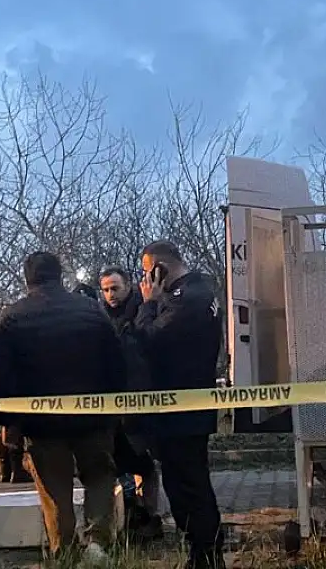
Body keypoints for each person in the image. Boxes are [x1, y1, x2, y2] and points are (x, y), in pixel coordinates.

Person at [0, 252, 126, 562]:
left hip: (42, 424)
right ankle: (98, 543)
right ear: (59, 275)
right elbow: (116, 362)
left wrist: (8, 422)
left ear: (27, 279)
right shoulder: (91, 311)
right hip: (93, 417)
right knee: (100, 477)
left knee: (54, 490)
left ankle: (64, 551)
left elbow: (0, 375)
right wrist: (115, 407)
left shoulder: (14, 318)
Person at [135, 241, 225, 569]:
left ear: (160, 268)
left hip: (180, 412)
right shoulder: (198, 292)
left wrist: (148, 304)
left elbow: (148, 340)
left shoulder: (185, 299)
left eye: (147, 271)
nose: (145, 279)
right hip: (186, 409)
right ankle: (203, 551)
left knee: (188, 486)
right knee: (187, 482)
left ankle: (205, 553)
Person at [99, 266, 163, 541]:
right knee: (119, 464)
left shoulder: (143, 311)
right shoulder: (100, 317)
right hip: (111, 407)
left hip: (140, 402)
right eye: (105, 290)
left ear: (128, 286)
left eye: (115, 288)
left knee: (145, 464)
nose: (110, 294)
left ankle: (151, 516)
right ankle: (128, 517)